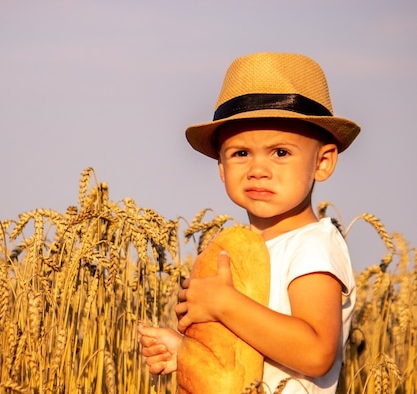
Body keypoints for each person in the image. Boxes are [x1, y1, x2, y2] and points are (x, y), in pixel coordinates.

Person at [138, 52, 360, 393]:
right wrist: (185, 352)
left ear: (323, 162)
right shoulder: (237, 255)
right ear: (222, 168)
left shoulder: (312, 246)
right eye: (241, 153)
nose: (258, 169)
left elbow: (316, 353)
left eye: (280, 153)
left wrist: (224, 304)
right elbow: (240, 360)